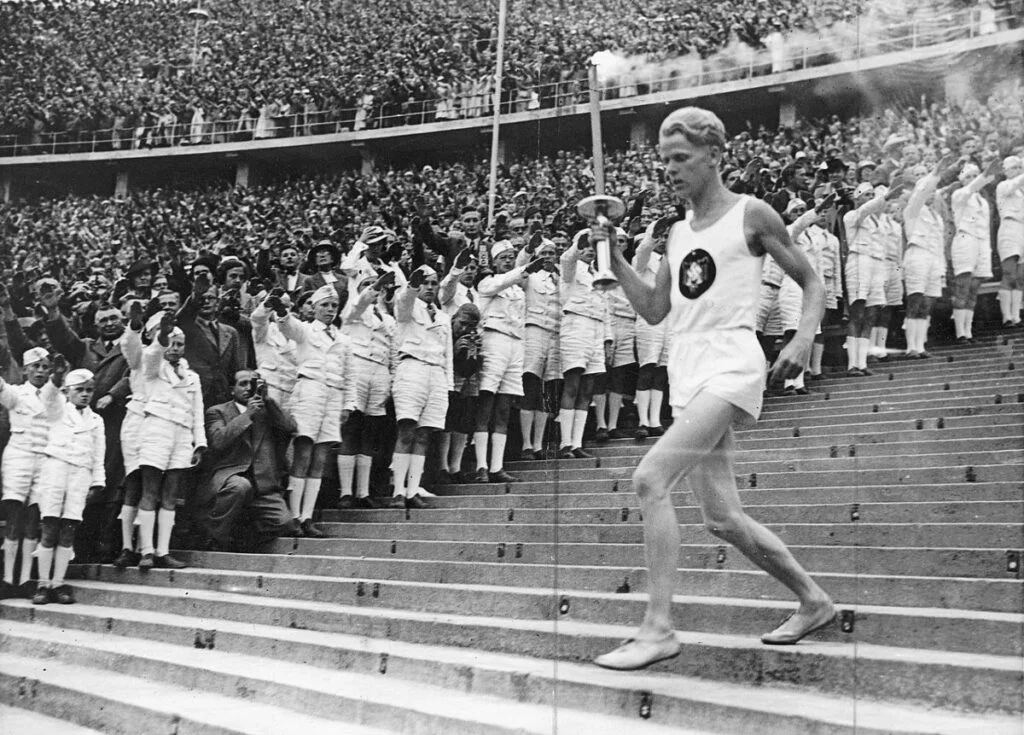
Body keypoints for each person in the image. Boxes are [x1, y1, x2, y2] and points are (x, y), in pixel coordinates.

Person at [595, 107, 834, 671]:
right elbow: (655, 310)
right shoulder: (677, 232)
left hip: (732, 360)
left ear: (714, 155)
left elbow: (811, 279)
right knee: (722, 519)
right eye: (665, 161)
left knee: (651, 477)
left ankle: (657, 629)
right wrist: (616, 255)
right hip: (687, 365)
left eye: (681, 159)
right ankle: (814, 600)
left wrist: (801, 338)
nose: (671, 170)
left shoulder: (752, 214)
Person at [199, 370, 301, 551]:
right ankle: (214, 536)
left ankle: (243, 532)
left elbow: (291, 427)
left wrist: (268, 401)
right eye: (243, 384)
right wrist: (247, 415)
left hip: (262, 486)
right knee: (240, 487)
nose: (248, 388)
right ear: (232, 390)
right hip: (231, 478)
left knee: (286, 524)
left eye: (253, 384)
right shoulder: (217, 411)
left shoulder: (267, 411)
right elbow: (218, 441)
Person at [32, 366, 105, 605]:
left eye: (89, 390)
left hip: (80, 476)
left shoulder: (96, 420)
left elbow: (98, 454)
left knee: (69, 529)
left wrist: (97, 482)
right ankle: (43, 584)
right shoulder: (57, 410)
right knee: (50, 526)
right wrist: (56, 376)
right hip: (55, 472)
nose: (85, 394)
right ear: (67, 391)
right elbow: (48, 396)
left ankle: (58, 582)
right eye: (79, 390)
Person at [0, 347, 54, 598]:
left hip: (44, 461)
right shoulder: (16, 393)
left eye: (45, 366)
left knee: (33, 521)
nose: (40, 371)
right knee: (13, 519)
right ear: (25, 370)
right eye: (35, 366)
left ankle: (25, 580)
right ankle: (8, 579)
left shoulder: (56, 395)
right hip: (18, 459)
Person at [995, 155, 1024, 327]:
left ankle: (1016, 316)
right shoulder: (1003, 186)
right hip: (1009, 228)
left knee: (1020, 276)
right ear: (1006, 170)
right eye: (1014, 167)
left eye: (1020, 167)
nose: (1018, 171)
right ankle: (1006, 316)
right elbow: (1014, 184)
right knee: (1009, 273)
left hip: (1022, 229)